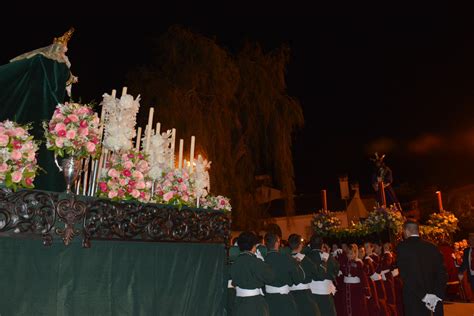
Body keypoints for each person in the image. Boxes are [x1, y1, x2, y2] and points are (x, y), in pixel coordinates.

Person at [396, 221, 447, 316]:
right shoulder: (432, 247)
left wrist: (424, 296)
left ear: (406, 231)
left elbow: (406, 275)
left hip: (414, 297)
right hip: (435, 298)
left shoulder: (402, 247)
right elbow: (442, 273)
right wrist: (437, 295)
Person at [231, 231, 275, 316]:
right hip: (254, 303)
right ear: (253, 246)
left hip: (238, 302)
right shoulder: (255, 261)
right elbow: (270, 277)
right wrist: (261, 261)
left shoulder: (235, 262)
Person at [263, 232, 304, 316]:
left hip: (268, 300)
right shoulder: (285, 258)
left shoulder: (262, 259)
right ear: (277, 243)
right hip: (284, 300)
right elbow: (298, 279)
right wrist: (297, 264)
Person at [288, 233, 321, 316]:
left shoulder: (286, 258)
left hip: (290, 295)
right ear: (300, 245)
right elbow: (316, 272)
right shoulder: (304, 259)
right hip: (305, 295)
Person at [306, 234, 338, 316]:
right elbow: (336, 271)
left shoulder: (306, 257)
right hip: (326, 295)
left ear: (310, 244)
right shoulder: (329, 257)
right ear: (322, 245)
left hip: (310, 295)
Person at [342, 244, 370, 316]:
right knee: (347, 307)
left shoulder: (358, 263)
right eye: (348, 253)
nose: (349, 255)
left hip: (356, 289)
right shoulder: (345, 262)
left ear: (355, 253)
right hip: (347, 289)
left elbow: (363, 277)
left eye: (351, 253)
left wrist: (366, 290)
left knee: (356, 308)